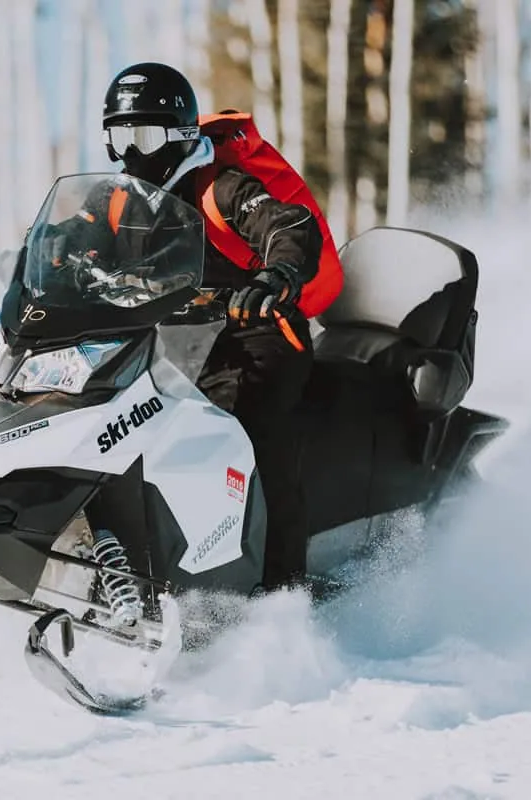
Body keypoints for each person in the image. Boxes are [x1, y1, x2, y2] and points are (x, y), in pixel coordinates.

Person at [59, 62, 338, 592]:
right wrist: (51, 257)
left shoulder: (223, 186)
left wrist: (275, 273)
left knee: (244, 438)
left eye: (144, 136)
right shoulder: (117, 198)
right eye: (119, 137)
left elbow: (286, 224)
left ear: (181, 136)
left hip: (257, 337)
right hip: (171, 345)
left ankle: (280, 588)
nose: (132, 153)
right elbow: (76, 236)